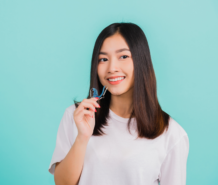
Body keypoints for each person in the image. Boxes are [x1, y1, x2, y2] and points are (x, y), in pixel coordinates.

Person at [48, 22, 189, 185]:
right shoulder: (77, 116)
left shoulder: (172, 135)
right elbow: (62, 183)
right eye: (103, 59)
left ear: (141, 61)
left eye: (123, 56)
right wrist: (82, 137)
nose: (112, 68)